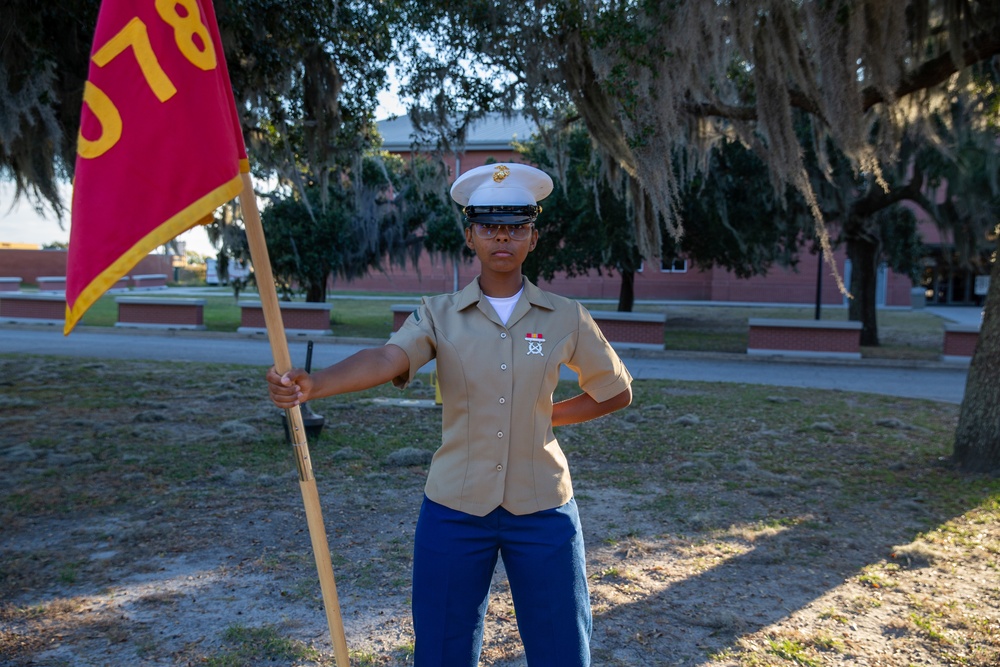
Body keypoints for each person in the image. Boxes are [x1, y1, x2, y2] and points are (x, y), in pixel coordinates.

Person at [266, 162, 633, 666]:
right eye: (489, 226)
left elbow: (615, 391)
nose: (501, 237)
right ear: (469, 236)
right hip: (455, 508)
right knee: (441, 649)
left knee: (562, 649)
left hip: (543, 508)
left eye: (516, 227)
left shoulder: (566, 316)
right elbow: (388, 358)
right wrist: (317, 384)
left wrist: (544, 418)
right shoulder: (437, 314)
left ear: (533, 238)